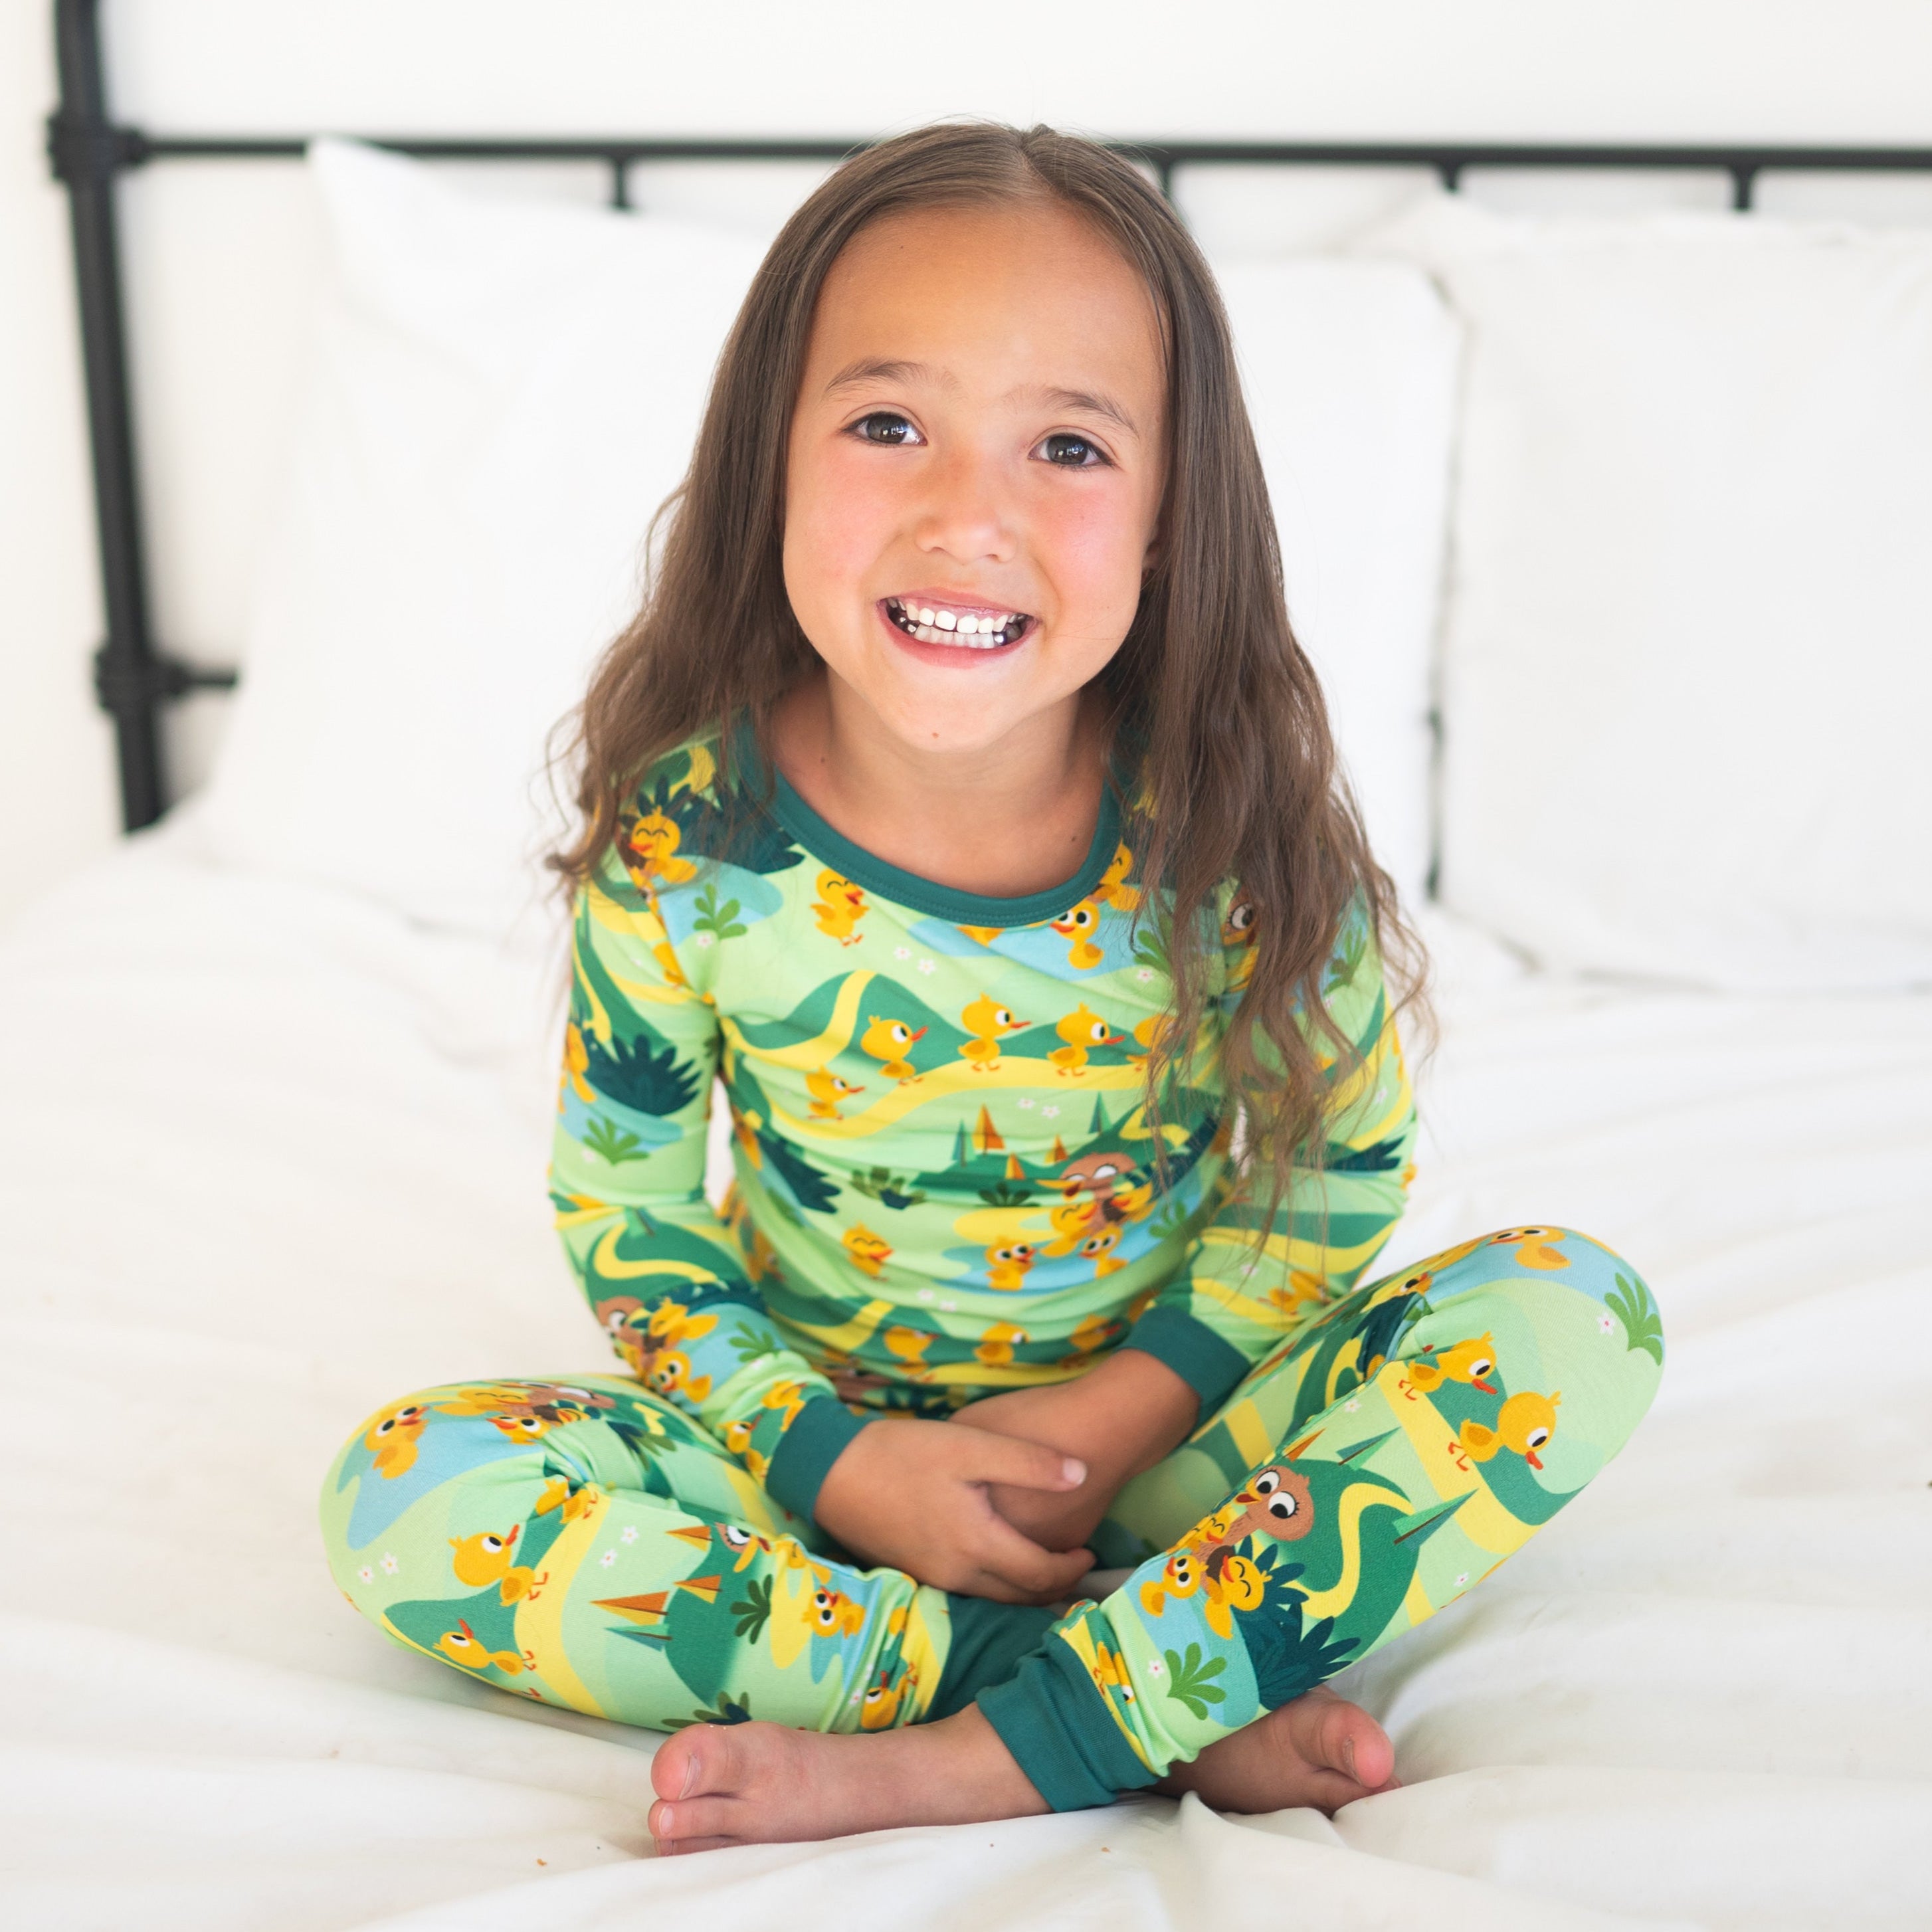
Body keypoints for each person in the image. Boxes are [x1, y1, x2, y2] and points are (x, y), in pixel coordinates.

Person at [320, 122, 1663, 1855]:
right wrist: (834, 1465)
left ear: (1173, 520)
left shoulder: (1238, 832)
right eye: (888, 424)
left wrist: (1097, 1438)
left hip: (1171, 1458)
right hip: (823, 1475)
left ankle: (956, 1753)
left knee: (1577, 1317)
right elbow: (633, 1216)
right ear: (768, 467)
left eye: (1067, 446)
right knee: (404, 1497)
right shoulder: (695, 842)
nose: (969, 514)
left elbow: (1318, 1193)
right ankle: (1119, 1686)